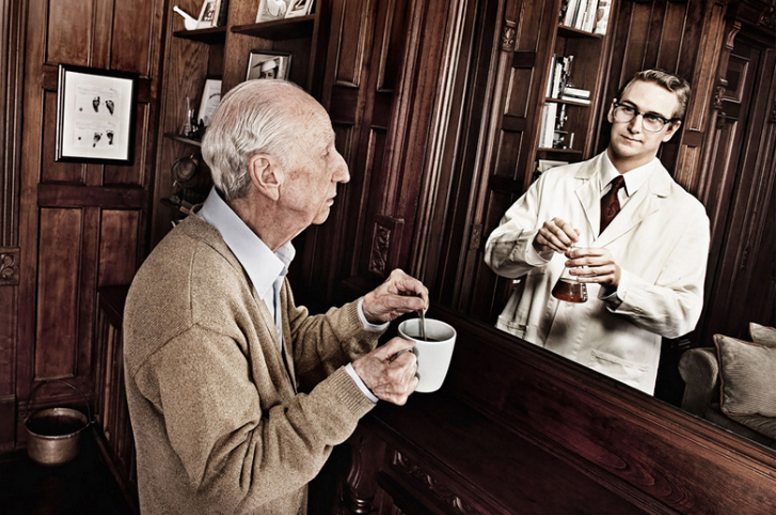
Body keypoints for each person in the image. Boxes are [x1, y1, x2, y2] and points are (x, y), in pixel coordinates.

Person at [123, 79, 428, 514]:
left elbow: (280, 353)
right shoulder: (193, 302)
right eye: (326, 151)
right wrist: (358, 386)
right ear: (268, 175)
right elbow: (235, 476)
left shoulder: (249, 251)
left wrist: (366, 315)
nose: (342, 169)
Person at [484, 69, 710, 395]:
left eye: (653, 118)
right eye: (628, 109)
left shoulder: (687, 214)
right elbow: (494, 256)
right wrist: (533, 244)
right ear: (612, 110)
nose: (635, 126)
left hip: (608, 381)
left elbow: (680, 318)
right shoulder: (555, 181)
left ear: (671, 130)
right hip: (523, 352)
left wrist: (620, 282)